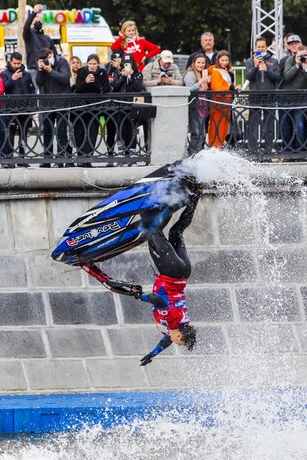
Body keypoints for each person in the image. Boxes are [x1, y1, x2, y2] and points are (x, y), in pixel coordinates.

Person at [131, 182, 201, 365]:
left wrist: (152, 354)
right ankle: (170, 199)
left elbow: (166, 341)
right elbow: (157, 299)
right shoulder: (172, 320)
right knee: (153, 232)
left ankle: (195, 195)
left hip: (183, 272)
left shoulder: (178, 326)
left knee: (177, 232)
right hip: (170, 272)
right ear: (180, 335)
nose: (176, 343)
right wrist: (139, 297)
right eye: (180, 343)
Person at [35, 47, 71, 166]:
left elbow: (64, 79)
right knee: (47, 131)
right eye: (43, 59)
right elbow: (39, 83)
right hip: (47, 103)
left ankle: (60, 159)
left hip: (61, 102)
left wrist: (50, 70)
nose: (46, 61)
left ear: (51, 54)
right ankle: (47, 158)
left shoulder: (62, 62)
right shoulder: (42, 65)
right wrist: (40, 70)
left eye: (48, 58)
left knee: (61, 130)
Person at [73, 53, 111, 163]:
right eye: (90, 64)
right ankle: (80, 157)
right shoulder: (81, 72)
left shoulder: (102, 72)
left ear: (98, 64)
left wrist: (95, 81)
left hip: (95, 107)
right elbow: (78, 89)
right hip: (81, 107)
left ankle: (88, 158)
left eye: (94, 64)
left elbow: (106, 88)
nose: (92, 66)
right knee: (79, 131)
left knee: (92, 131)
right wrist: (86, 81)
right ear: (87, 64)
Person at [105, 50, 144, 158]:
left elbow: (138, 88)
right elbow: (115, 88)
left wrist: (131, 76)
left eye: (129, 63)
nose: (127, 66)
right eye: (125, 63)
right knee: (121, 128)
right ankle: (122, 151)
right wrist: (122, 77)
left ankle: (132, 152)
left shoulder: (138, 74)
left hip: (132, 105)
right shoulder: (119, 73)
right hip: (120, 105)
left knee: (131, 128)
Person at [280, 44, 307, 152]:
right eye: (300, 55)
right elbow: (287, 77)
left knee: (299, 125)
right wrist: (296, 66)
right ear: (296, 55)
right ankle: (287, 152)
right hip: (286, 99)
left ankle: (300, 152)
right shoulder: (290, 60)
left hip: (301, 100)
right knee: (285, 127)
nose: (302, 58)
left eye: (304, 55)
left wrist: (306, 68)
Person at [0, 52, 35, 166]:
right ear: (10, 62)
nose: (16, 65)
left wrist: (32, 106)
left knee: (23, 134)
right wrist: (12, 79)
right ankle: (9, 159)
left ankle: (22, 158)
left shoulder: (27, 74)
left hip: (25, 109)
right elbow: (3, 88)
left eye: (19, 63)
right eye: (14, 63)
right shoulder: (4, 74)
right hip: (10, 109)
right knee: (10, 134)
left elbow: (32, 90)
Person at [207, 50, 237, 149]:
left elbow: (228, 85)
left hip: (226, 103)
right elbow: (217, 87)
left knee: (223, 126)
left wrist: (234, 87)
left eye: (226, 60)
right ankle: (215, 146)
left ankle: (219, 145)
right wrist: (231, 88)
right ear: (218, 60)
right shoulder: (216, 71)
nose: (224, 62)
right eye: (222, 60)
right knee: (217, 125)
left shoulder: (226, 71)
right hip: (218, 103)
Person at [23, 3, 56, 86]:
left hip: (48, 69)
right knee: (37, 91)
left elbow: (55, 54)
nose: (37, 20)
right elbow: (26, 27)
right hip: (34, 69)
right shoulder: (29, 35)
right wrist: (34, 13)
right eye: (35, 18)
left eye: (39, 18)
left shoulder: (47, 38)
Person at [183, 54, 211, 154]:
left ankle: (198, 153)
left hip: (202, 107)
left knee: (202, 134)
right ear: (194, 63)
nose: (201, 65)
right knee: (197, 133)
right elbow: (189, 89)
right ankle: (193, 154)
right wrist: (200, 82)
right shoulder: (190, 75)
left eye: (203, 63)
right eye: (198, 62)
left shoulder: (203, 74)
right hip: (194, 107)